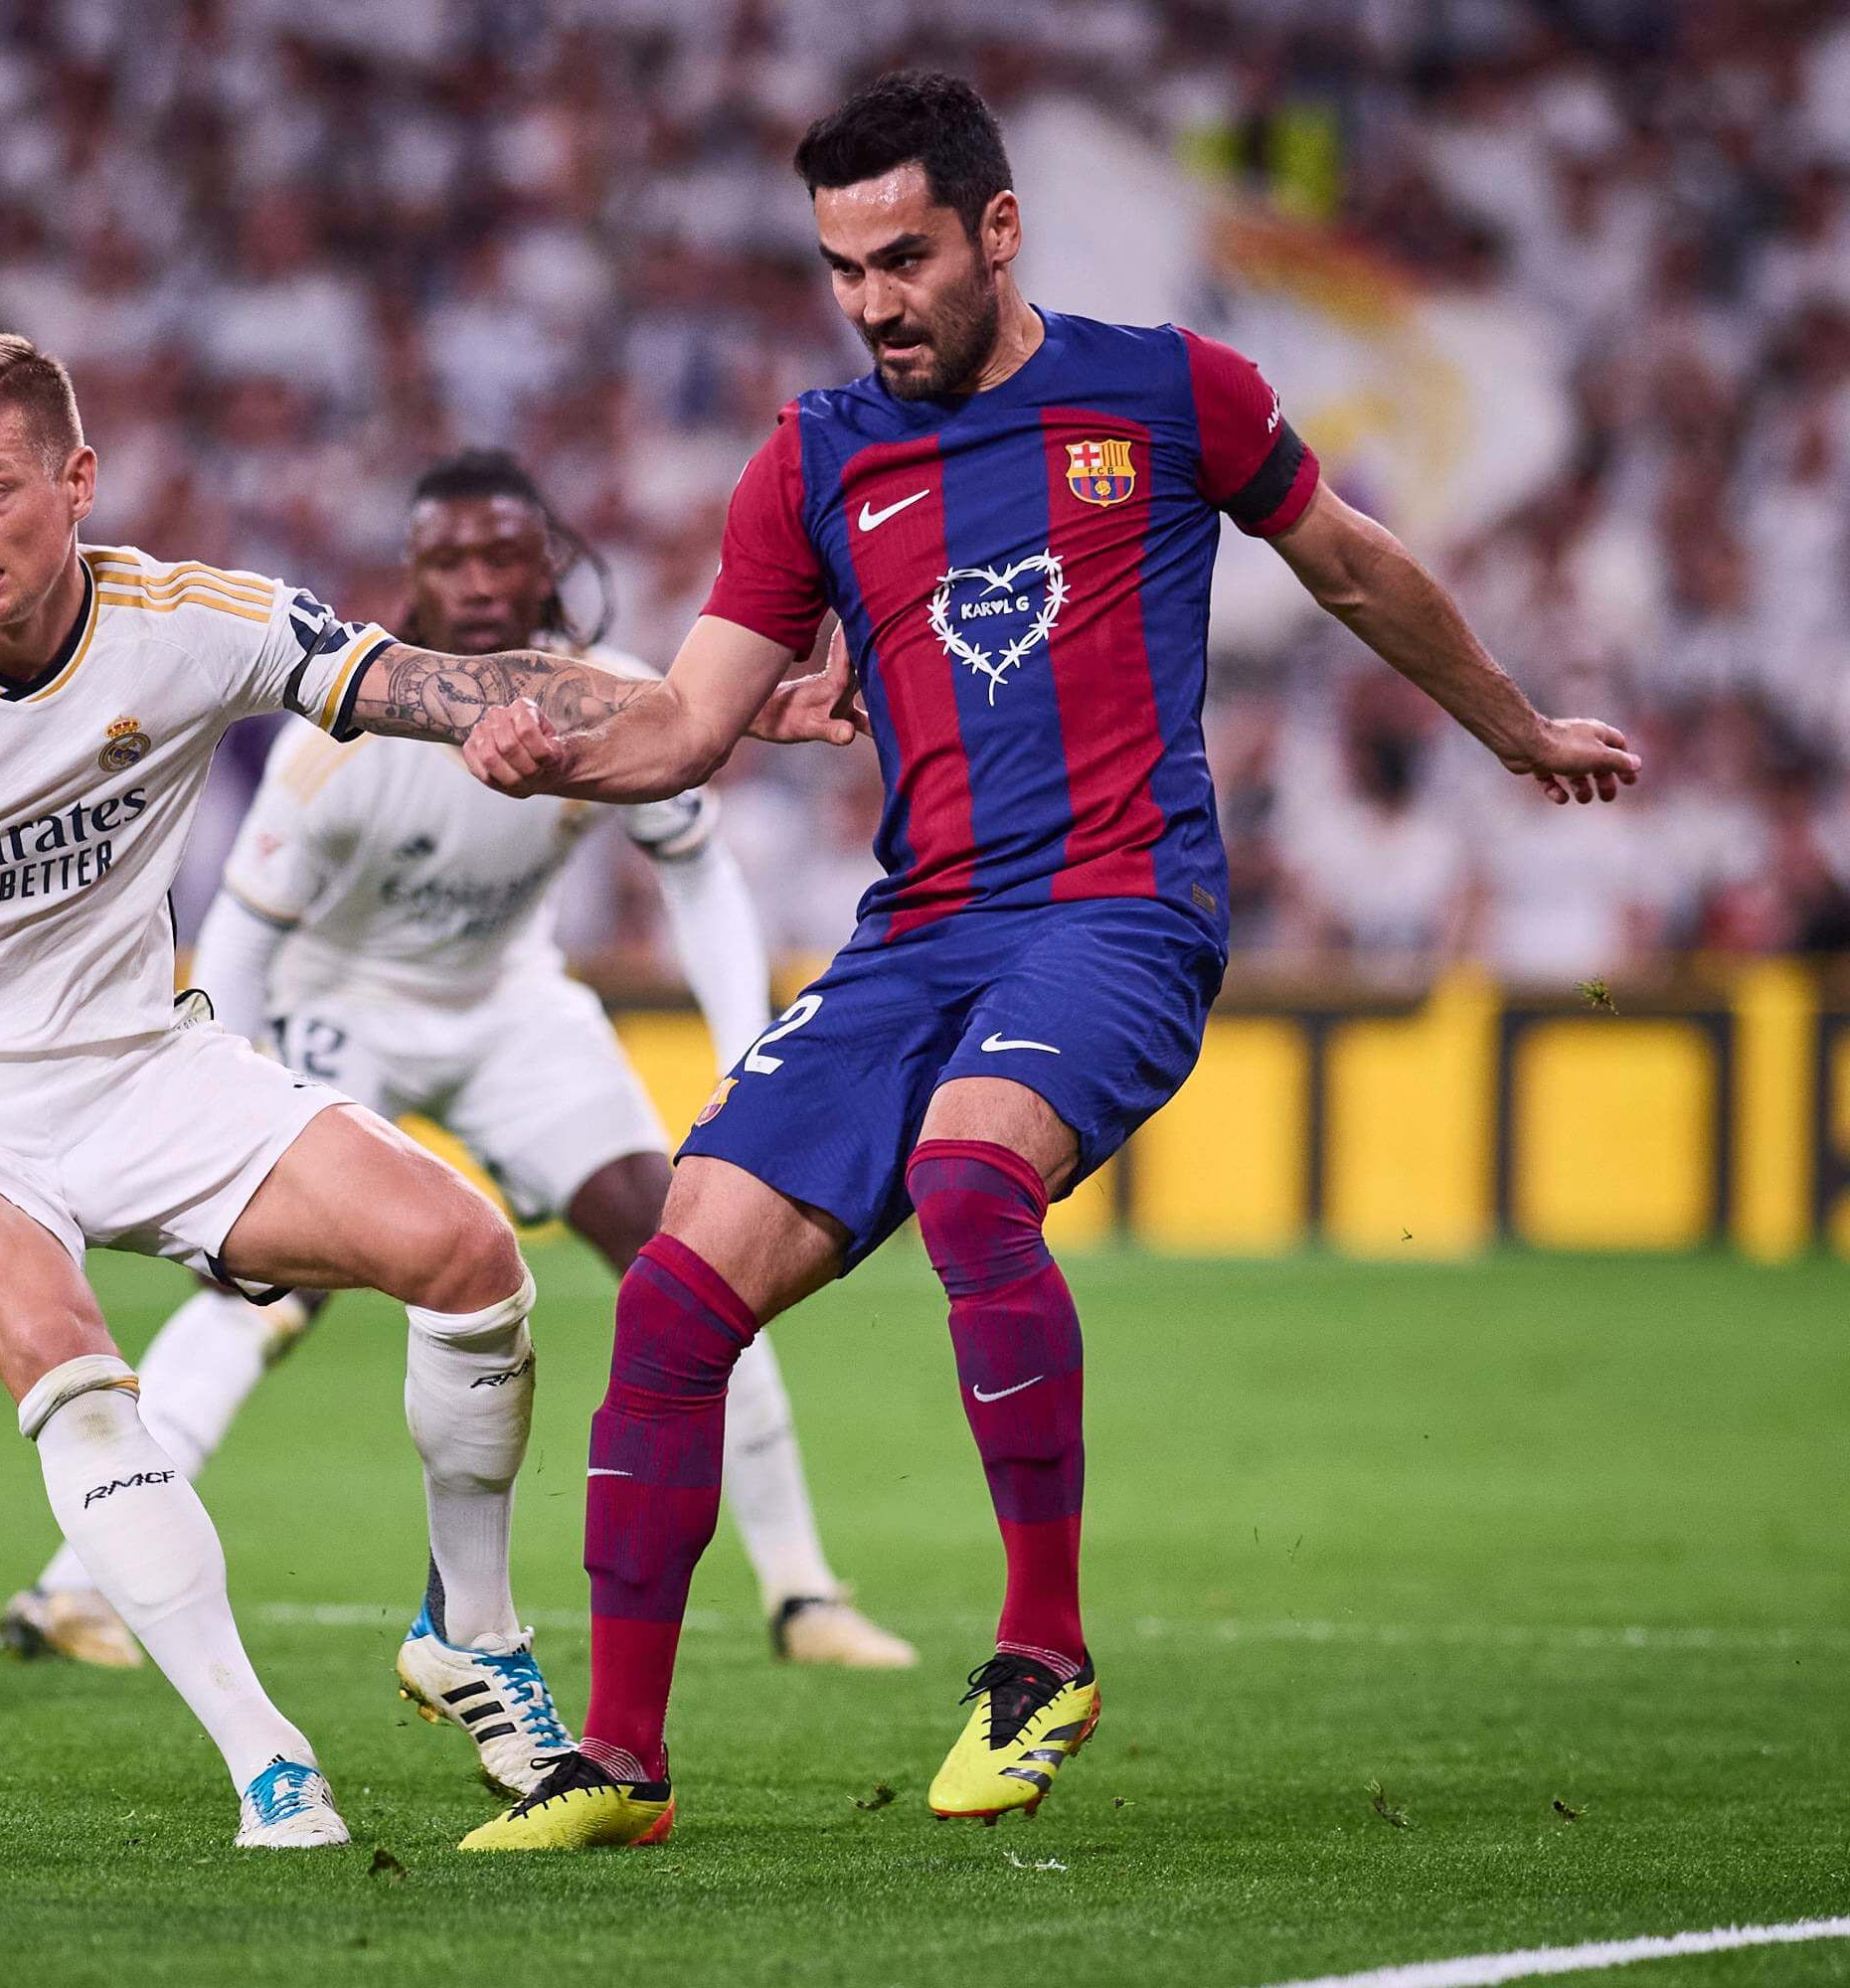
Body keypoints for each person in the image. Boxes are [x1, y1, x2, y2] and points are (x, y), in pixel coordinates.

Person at [445, 71, 1639, 1850]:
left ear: (998, 231)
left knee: (967, 1172)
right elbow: (686, 722)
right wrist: (549, 746)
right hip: (920, 929)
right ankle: (622, 1764)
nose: (873, 302)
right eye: (844, 268)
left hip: (1124, 906)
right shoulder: (813, 459)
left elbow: (1355, 568)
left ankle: (1043, 1655)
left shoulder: (1169, 391)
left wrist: (1517, 727)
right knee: (677, 1289)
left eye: (905, 259)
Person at [0, 330, 849, 1845]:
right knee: (67, 1356)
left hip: (143, 1064)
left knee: (469, 1255)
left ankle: (473, 1637)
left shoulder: (192, 625)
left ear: (78, 480)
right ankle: (268, 1758)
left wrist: (698, 713)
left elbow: (439, 682)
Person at [0, 448, 915, 1689]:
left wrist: (743, 1046)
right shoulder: (346, 735)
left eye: (502, 555)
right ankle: (73, 1581)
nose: (478, 581)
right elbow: (245, 935)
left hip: (508, 1004)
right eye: (449, 559)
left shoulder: (612, 694)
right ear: (413, 578)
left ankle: (803, 1588)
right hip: (343, 1010)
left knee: (695, 1253)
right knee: (261, 1298)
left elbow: (699, 869)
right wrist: (234, 1099)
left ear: (548, 566)